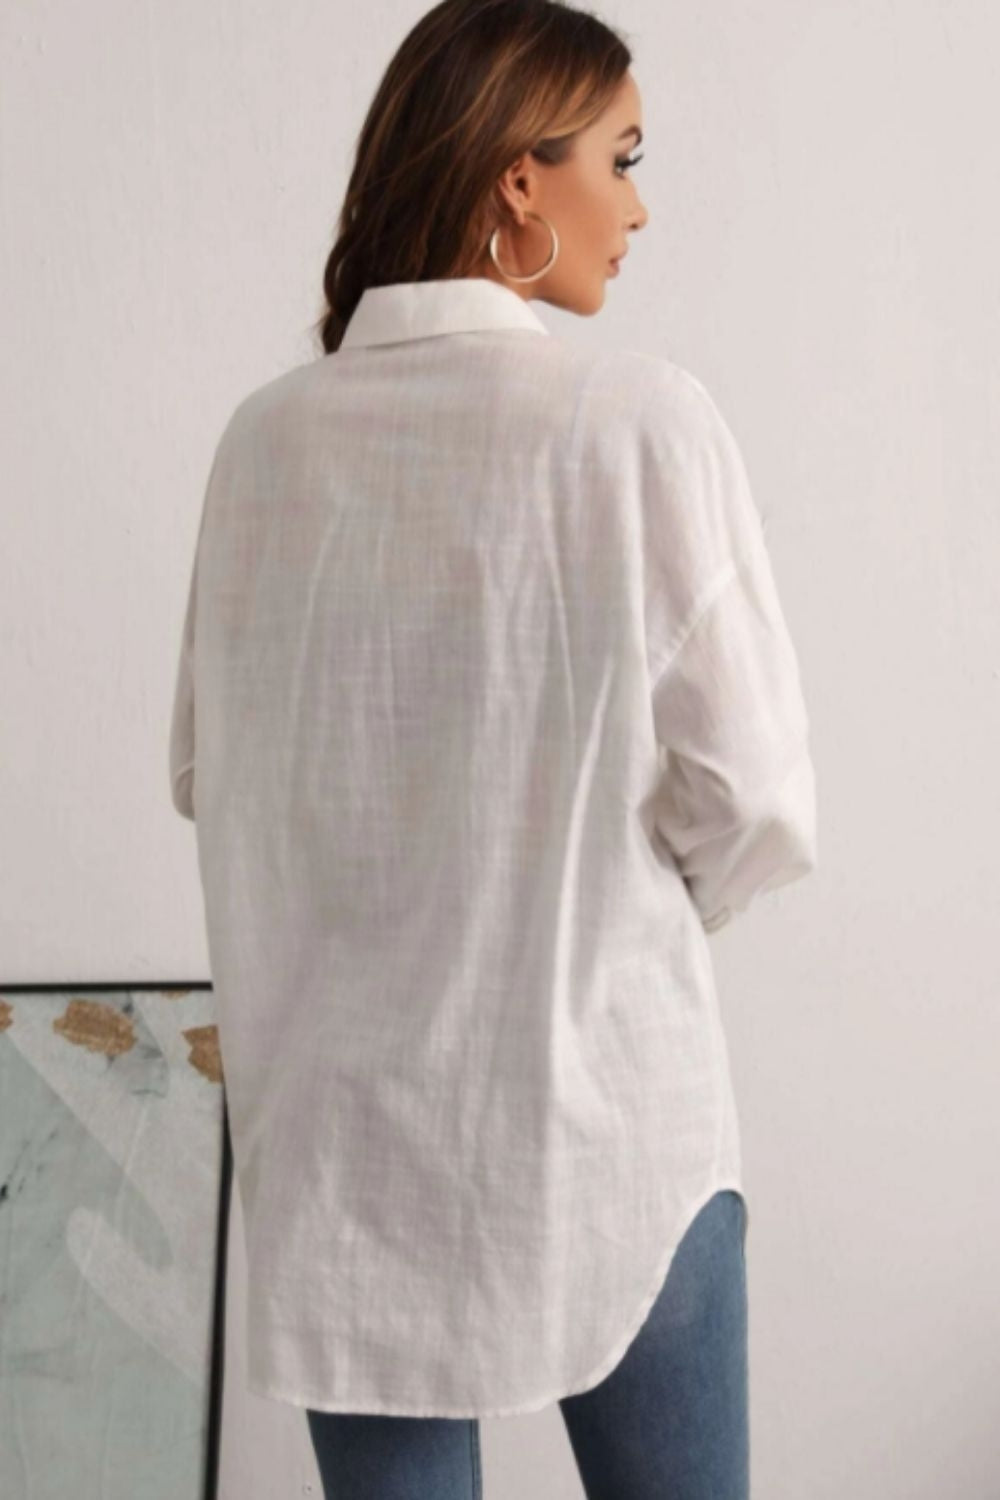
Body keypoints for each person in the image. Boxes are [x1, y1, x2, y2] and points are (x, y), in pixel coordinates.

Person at [167, 0, 818, 1495]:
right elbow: (759, 802)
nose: (639, 207)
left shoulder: (262, 443)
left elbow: (212, 779)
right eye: (620, 159)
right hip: (612, 1123)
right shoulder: (636, 420)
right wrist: (586, 904)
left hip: (344, 1159)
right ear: (520, 178)